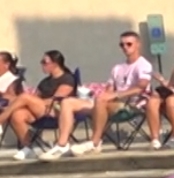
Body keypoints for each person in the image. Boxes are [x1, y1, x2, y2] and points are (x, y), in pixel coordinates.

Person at [43, 30, 157, 158]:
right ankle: (62, 145)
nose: (125, 47)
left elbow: (141, 87)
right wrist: (105, 95)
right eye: (122, 45)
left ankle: (95, 142)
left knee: (101, 100)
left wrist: (115, 95)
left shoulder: (143, 64)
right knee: (67, 102)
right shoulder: (117, 68)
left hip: (130, 104)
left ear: (138, 44)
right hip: (109, 103)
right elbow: (109, 89)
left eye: (128, 44)